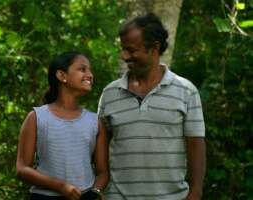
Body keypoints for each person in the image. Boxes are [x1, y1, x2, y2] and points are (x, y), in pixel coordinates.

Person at [98, 13, 206, 200]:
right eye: (123, 49)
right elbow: (99, 145)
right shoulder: (109, 93)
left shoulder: (186, 91)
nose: (124, 56)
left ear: (154, 48)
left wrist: (195, 192)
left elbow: (195, 144)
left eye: (131, 50)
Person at [17, 51, 109, 200]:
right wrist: (60, 186)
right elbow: (22, 169)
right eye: (82, 69)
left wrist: (95, 192)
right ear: (62, 76)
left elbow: (103, 172)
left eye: (90, 70)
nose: (90, 75)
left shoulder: (95, 122)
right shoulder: (37, 117)